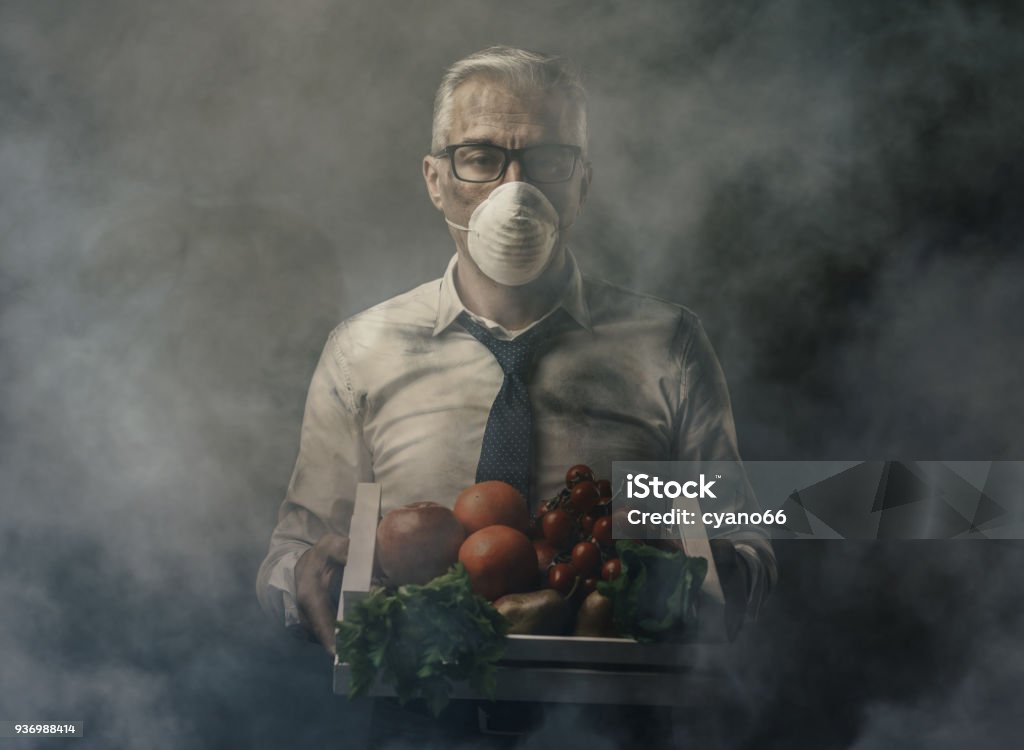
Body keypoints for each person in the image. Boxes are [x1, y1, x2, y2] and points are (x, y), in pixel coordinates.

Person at [256, 46, 776, 659]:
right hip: (422, 713)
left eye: (548, 161)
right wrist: (304, 578)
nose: (517, 190)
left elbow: (746, 545)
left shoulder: (668, 344)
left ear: (582, 184)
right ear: (435, 181)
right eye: (480, 158)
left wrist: (699, 560)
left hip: (617, 715)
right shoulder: (363, 351)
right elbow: (293, 554)